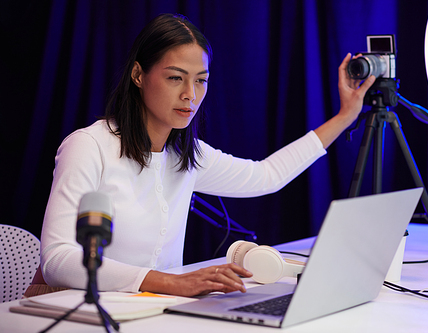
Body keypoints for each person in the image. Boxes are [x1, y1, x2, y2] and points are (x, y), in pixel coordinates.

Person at [37, 13, 375, 297]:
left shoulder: (187, 155)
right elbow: (58, 259)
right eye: (175, 78)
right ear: (138, 75)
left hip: (156, 312)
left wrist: (347, 115)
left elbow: (266, 176)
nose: (190, 95)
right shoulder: (89, 146)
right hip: (84, 314)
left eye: (201, 81)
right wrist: (172, 283)